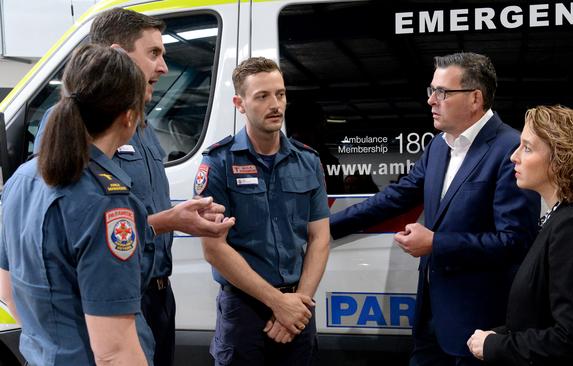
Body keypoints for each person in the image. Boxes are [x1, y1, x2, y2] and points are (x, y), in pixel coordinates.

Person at [30, 8, 230, 366]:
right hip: (113, 300)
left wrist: (174, 218)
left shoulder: (142, 124)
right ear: (118, 54)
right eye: (154, 53)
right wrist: (166, 222)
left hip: (157, 293)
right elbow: (79, 224)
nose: (164, 67)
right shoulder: (66, 126)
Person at [329, 52, 540, 365]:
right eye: (432, 91)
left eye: (442, 92)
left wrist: (435, 243)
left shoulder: (509, 149)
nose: (431, 100)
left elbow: (514, 240)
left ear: (475, 98)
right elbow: (397, 195)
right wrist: (326, 226)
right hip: (431, 316)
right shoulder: (440, 145)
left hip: (479, 323)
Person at [0, 44, 153, 365]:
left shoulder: (22, 180)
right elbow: (114, 351)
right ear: (129, 117)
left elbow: (7, 289)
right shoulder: (108, 204)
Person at [194, 57, 330, 365]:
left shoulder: (307, 161)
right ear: (239, 103)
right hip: (244, 310)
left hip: (298, 305)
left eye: (280, 94)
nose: (276, 105)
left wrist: (297, 306)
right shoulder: (218, 162)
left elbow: (320, 237)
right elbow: (213, 249)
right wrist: (277, 302)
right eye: (262, 96)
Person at [467, 105, 573, 365]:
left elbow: (572, 340)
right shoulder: (562, 217)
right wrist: (500, 334)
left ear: (561, 159)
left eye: (527, 148)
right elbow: (543, 317)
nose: (513, 157)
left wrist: (496, 345)